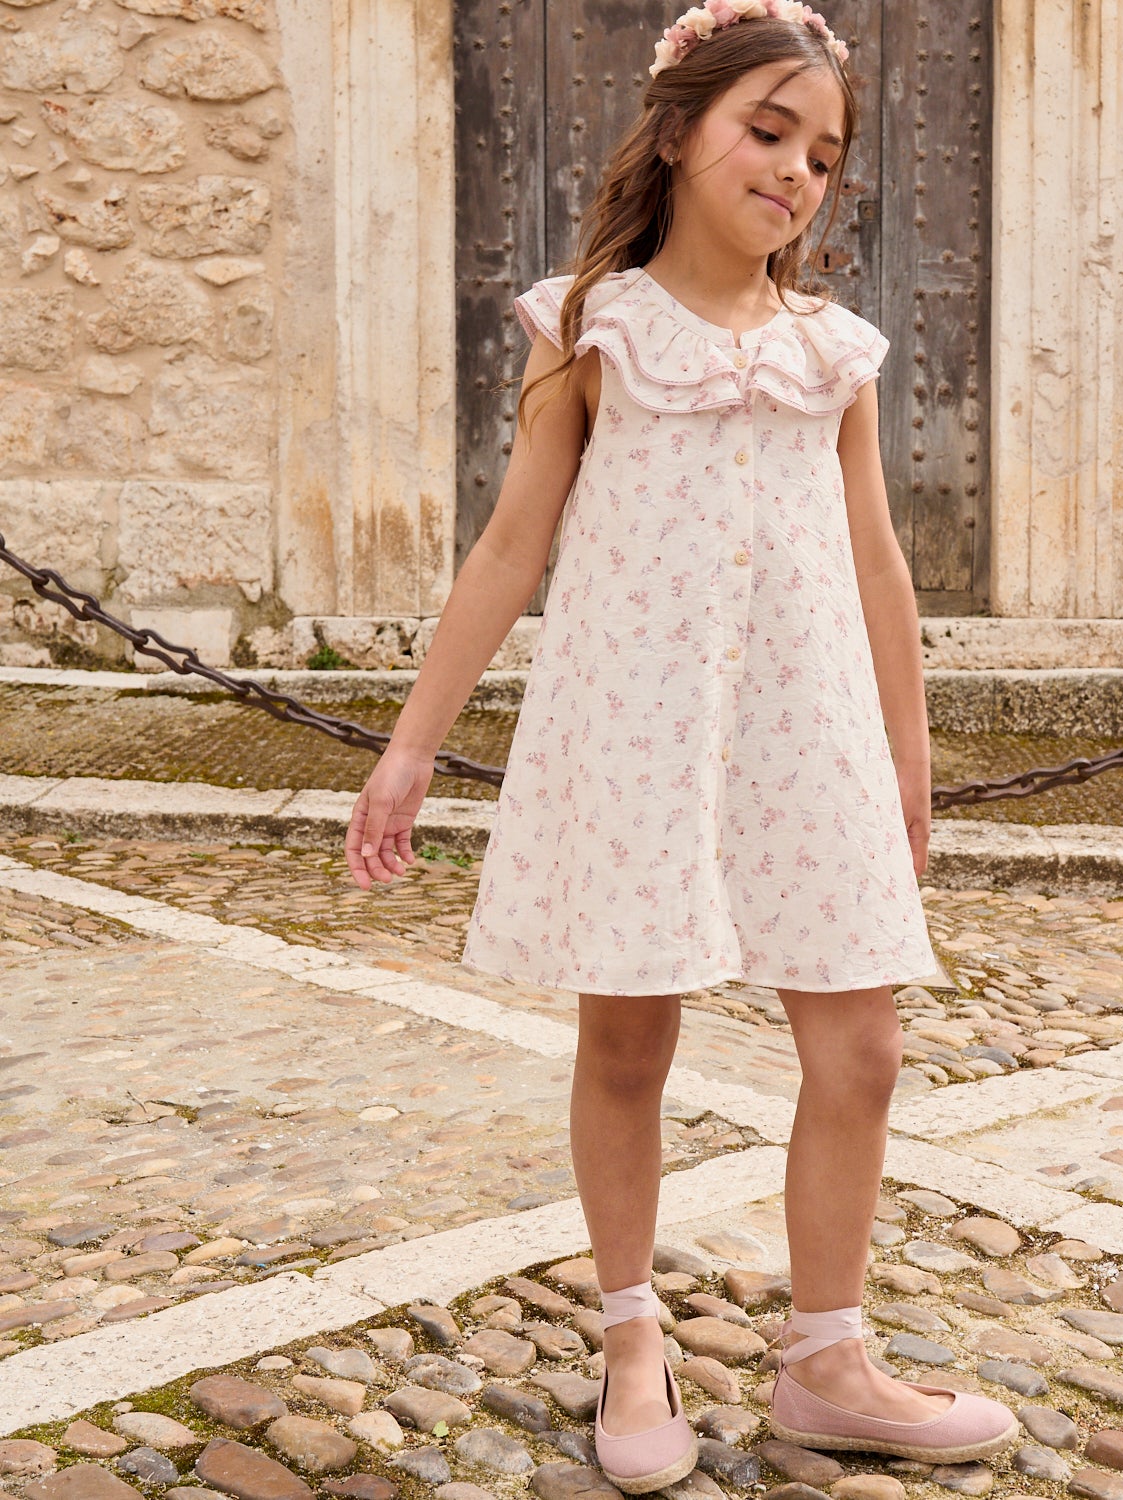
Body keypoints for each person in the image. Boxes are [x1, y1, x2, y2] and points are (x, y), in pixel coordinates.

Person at [344, 0, 1019, 1490]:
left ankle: (828, 1358)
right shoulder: (588, 328)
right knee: (631, 1036)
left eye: (826, 153)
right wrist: (408, 750)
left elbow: (880, 566)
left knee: (863, 1043)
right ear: (677, 129)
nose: (797, 171)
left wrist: (907, 760)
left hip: (808, 724)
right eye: (768, 130)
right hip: (635, 721)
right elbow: (513, 547)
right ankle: (632, 1332)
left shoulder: (832, 350)